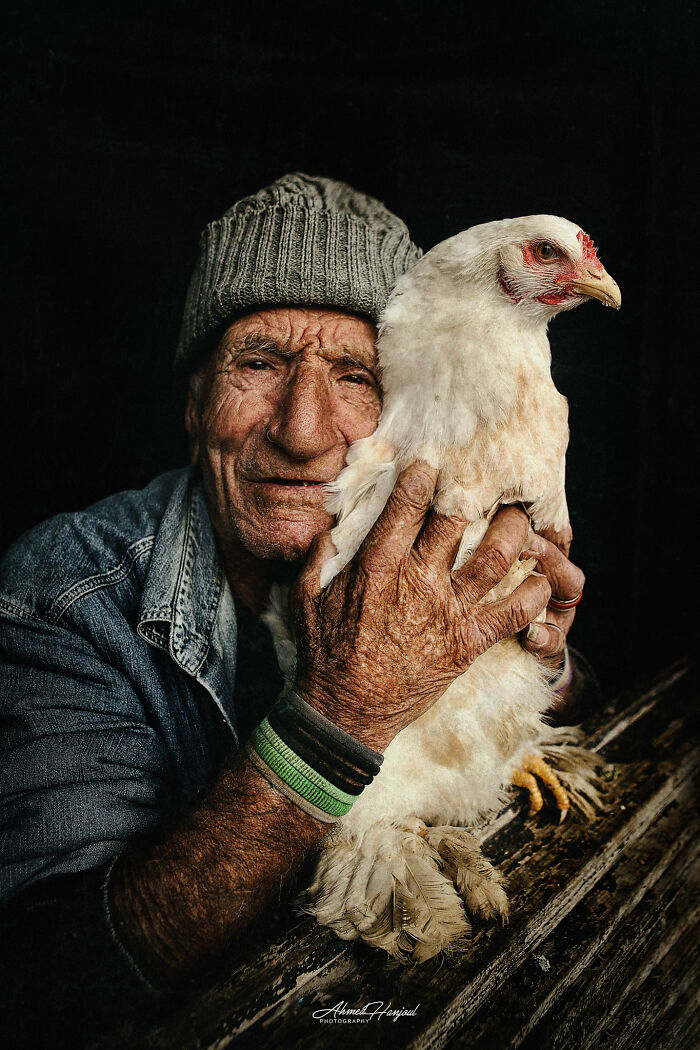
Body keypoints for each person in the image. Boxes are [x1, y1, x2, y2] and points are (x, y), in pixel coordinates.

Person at [0, 174, 588, 1040]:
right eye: (260, 364)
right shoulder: (68, 591)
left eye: (354, 374)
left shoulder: (426, 529)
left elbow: (569, 686)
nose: (304, 430)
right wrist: (343, 711)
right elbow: (52, 974)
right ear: (194, 402)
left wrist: (539, 663)